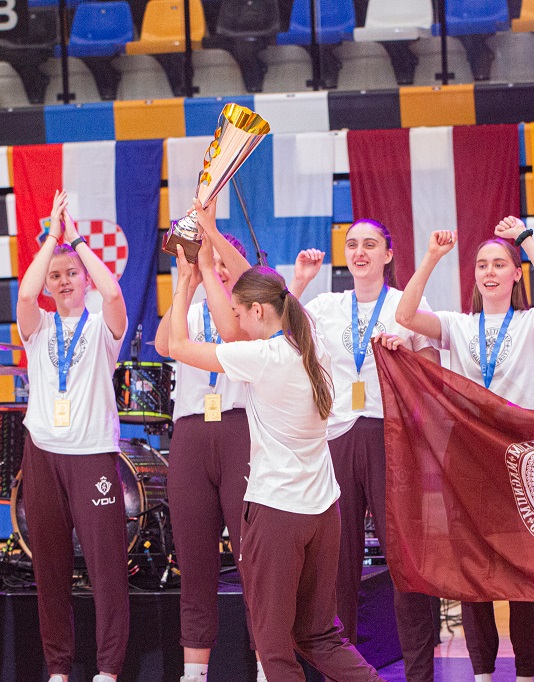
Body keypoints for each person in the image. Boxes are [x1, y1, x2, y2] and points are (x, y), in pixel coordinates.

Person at [167, 204, 385, 682]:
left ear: (259, 312)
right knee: (319, 635)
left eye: (240, 312)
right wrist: (212, 237)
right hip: (323, 511)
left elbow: (177, 346)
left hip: (278, 514)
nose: (235, 322)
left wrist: (188, 280)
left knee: (274, 645)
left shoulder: (264, 357)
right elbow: (259, 287)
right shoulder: (311, 338)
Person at [395, 218, 534, 682]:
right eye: (482, 265)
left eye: (499, 264)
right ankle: (483, 673)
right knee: (473, 571)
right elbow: (406, 316)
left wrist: (525, 239)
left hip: (522, 456)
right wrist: (432, 257)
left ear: (516, 273)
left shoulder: (532, 323)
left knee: (525, 569)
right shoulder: (457, 325)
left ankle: (526, 671)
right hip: (468, 456)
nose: (490, 272)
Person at [290, 219, 442, 682]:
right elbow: (281, 333)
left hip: (390, 436)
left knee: (403, 558)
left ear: (388, 254)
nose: (359, 252)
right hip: (337, 438)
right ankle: (343, 672)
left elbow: (432, 370)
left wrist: (405, 354)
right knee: (336, 562)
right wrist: (299, 281)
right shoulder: (326, 306)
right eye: (352, 244)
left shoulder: (405, 303)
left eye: (370, 244)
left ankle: (419, 673)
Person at [15, 190, 129, 682]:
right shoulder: (38, 325)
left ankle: (108, 669)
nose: (63, 281)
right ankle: (58, 668)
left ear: (85, 281)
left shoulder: (103, 326)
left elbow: (115, 294)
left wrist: (77, 240)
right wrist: (51, 240)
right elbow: (25, 295)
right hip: (43, 454)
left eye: (72, 274)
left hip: (92, 454)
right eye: (56, 276)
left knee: (106, 570)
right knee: (50, 570)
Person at [155, 224, 256, 682]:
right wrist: (186, 282)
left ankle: (266, 666)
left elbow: (236, 339)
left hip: (239, 430)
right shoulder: (190, 307)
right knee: (194, 564)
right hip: (192, 433)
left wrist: (214, 274)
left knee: (251, 559)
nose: (216, 266)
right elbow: (163, 344)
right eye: (209, 257)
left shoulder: (251, 315)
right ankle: (194, 673)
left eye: (223, 260)